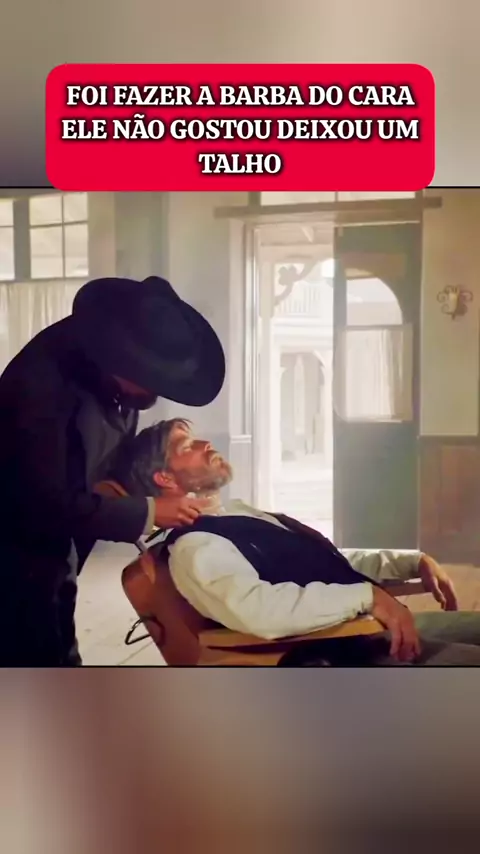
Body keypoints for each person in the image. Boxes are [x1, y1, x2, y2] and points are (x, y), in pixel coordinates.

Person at [114, 418, 480, 666]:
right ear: (165, 478)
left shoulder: (235, 514)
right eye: (186, 446)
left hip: (368, 630)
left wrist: (411, 562)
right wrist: (368, 597)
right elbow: (259, 611)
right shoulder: (195, 546)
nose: (206, 443)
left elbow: (320, 561)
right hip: (342, 656)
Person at [0, 276, 226, 667]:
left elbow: (105, 462)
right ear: (117, 357)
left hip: (56, 553)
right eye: (150, 378)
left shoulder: (118, 375)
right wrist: (150, 511)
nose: (155, 392)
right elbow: (42, 503)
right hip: (14, 556)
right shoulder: (38, 390)